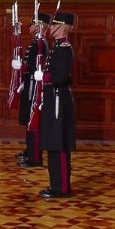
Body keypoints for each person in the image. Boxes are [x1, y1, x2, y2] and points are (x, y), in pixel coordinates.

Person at [37, 11, 76, 199]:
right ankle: (55, 184)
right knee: (53, 142)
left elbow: (60, 77)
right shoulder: (57, 47)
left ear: (62, 28)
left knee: (59, 143)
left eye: (54, 25)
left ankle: (61, 188)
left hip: (59, 98)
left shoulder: (64, 48)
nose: (50, 28)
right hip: (53, 98)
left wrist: (43, 77)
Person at [14, 12, 51, 168]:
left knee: (33, 120)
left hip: (35, 87)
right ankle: (30, 151)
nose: (30, 26)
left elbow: (37, 66)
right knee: (29, 119)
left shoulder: (41, 43)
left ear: (40, 25)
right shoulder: (36, 42)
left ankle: (35, 156)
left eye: (33, 23)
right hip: (30, 84)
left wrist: (22, 67)